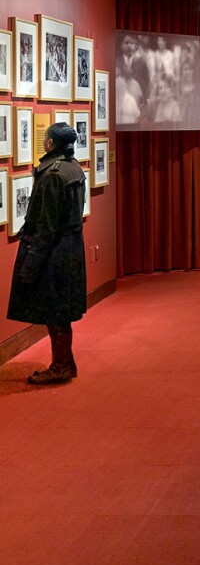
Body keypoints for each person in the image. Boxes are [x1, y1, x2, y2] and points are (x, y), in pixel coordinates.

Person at [7, 122, 87, 384]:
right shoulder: (72, 168)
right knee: (60, 310)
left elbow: (47, 226)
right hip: (69, 247)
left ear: (51, 143)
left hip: (55, 252)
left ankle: (62, 366)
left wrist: (30, 265)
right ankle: (65, 363)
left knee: (56, 311)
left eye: (45, 139)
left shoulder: (53, 174)